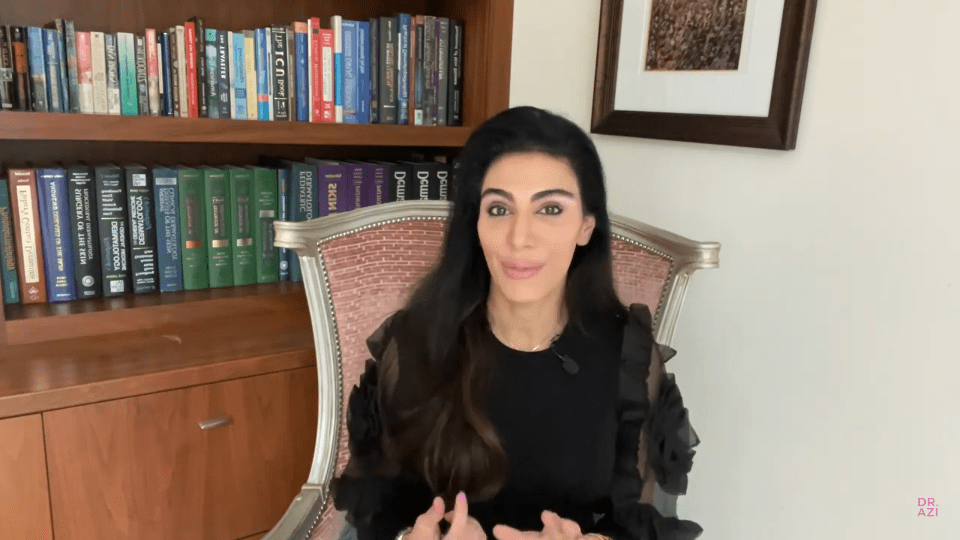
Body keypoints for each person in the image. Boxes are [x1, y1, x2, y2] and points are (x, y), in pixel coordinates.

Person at [331, 106, 703, 540]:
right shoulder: (415, 343)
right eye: (498, 209)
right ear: (475, 222)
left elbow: (639, 522)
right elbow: (376, 513)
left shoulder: (628, 358)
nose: (519, 237)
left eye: (549, 209)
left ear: (586, 225)